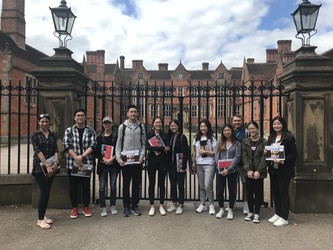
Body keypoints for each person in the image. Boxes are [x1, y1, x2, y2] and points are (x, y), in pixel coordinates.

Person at [63, 108, 96, 219]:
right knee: (73, 187)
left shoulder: (91, 131)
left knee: (86, 186)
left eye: (82, 115)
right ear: (74, 118)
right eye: (78, 115)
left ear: (85, 117)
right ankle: (74, 208)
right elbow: (67, 145)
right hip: (72, 164)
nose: (80, 117)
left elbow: (92, 145)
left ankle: (86, 206)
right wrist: (76, 158)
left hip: (86, 163)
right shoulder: (69, 131)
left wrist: (82, 157)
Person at [116, 105, 146, 217]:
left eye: (135, 112)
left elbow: (143, 144)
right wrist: (119, 159)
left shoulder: (141, 127)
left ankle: (135, 205)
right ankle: (126, 206)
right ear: (128, 113)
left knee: (136, 184)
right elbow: (119, 144)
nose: (133, 114)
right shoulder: (122, 127)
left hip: (137, 161)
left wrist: (142, 157)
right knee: (126, 184)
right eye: (131, 112)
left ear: (137, 113)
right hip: (125, 161)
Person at [266, 116, 297, 227]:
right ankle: (278, 213)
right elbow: (270, 151)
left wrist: (282, 160)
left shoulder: (289, 138)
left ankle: (284, 217)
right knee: (275, 192)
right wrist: (266, 151)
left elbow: (293, 154)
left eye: (278, 124)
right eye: (274, 124)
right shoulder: (271, 137)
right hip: (273, 169)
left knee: (283, 192)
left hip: (284, 169)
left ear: (283, 124)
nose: (276, 126)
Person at [31, 114, 59, 229]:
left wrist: (56, 163)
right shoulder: (35, 135)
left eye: (46, 121)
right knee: (45, 192)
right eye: (42, 121)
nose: (44, 123)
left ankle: (43, 215)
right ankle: (40, 219)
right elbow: (38, 152)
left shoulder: (52, 135)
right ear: (39, 122)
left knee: (47, 193)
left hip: (52, 166)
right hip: (40, 167)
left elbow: (56, 150)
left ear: (49, 123)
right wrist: (47, 165)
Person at [242, 121, 267, 223]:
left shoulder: (264, 142)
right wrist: (248, 170)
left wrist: (258, 171)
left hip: (258, 172)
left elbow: (264, 158)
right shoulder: (245, 141)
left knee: (258, 192)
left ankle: (257, 213)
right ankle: (250, 212)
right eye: (249, 129)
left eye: (253, 128)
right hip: (249, 172)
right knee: (249, 193)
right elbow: (244, 156)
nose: (251, 130)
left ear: (257, 129)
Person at [215, 124, 241, 220]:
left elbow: (237, 157)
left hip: (232, 170)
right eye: (224, 130)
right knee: (220, 190)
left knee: (232, 190)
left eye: (228, 130)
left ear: (231, 131)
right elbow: (217, 157)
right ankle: (221, 209)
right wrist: (220, 169)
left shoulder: (237, 144)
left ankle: (230, 209)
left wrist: (229, 169)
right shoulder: (219, 143)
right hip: (221, 170)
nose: (226, 132)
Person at [95, 116, 119, 217]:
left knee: (113, 186)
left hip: (113, 164)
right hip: (102, 165)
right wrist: (104, 159)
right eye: (105, 123)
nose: (107, 125)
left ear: (112, 124)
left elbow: (119, 149)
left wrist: (112, 159)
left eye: (109, 123)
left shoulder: (116, 137)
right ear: (103, 125)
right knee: (101, 187)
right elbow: (96, 152)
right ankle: (103, 206)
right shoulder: (99, 138)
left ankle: (112, 205)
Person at [146, 117, 170, 216]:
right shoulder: (149, 134)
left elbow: (168, 147)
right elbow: (147, 147)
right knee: (151, 184)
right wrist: (162, 148)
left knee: (161, 184)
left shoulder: (165, 135)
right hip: (152, 162)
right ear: (153, 124)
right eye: (156, 122)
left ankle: (161, 205)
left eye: (160, 122)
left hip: (162, 162)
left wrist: (161, 148)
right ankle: (152, 206)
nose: (158, 124)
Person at [193, 119, 217, 215]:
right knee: (202, 186)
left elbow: (214, 153)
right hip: (199, 164)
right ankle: (203, 204)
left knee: (208, 185)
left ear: (208, 127)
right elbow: (194, 151)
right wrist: (193, 161)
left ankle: (211, 204)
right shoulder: (196, 138)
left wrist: (205, 152)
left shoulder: (212, 138)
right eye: (201, 126)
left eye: (205, 126)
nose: (203, 128)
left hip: (209, 164)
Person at [167, 119, 189, 215]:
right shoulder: (170, 137)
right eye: (171, 126)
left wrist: (183, 166)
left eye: (174, 125)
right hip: (171, 165)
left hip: (180, 165)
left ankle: (181, 204)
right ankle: (174, 203)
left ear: (178, 126)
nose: (173, 127)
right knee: (173, 185)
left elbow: (186, 152)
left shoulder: (182, 137)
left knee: (180, 185)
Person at [232, 114, 249, 214]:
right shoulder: (230, 131)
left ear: (242, 121)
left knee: (245, 183)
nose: (237, 122)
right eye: (235, 121)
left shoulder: (246, 132)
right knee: (233, 183)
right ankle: (232, 202)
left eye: (238, 120)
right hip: (233, 162)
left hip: (243, 162)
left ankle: (246, 203)